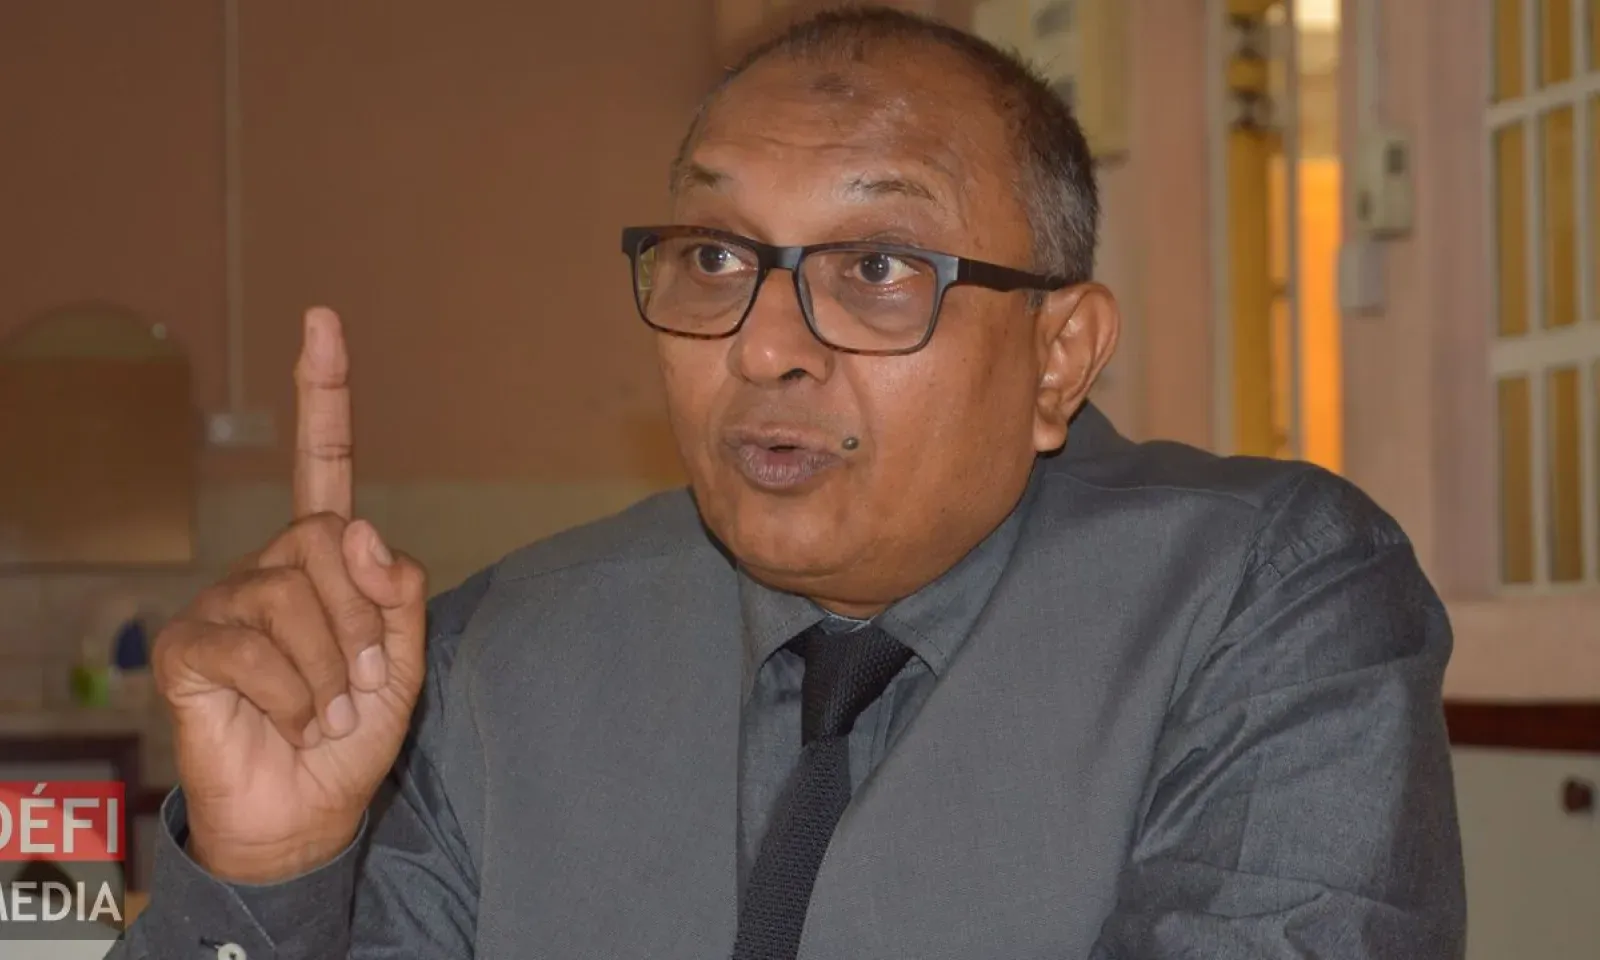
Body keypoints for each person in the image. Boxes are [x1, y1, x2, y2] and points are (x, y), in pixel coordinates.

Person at [115, 7, 1465, 959]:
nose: (764, 347)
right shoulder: (490, 663)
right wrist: (264, 875)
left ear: (1059, 355)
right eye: (715, 257)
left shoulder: (1261, 598)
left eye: (877, 267)